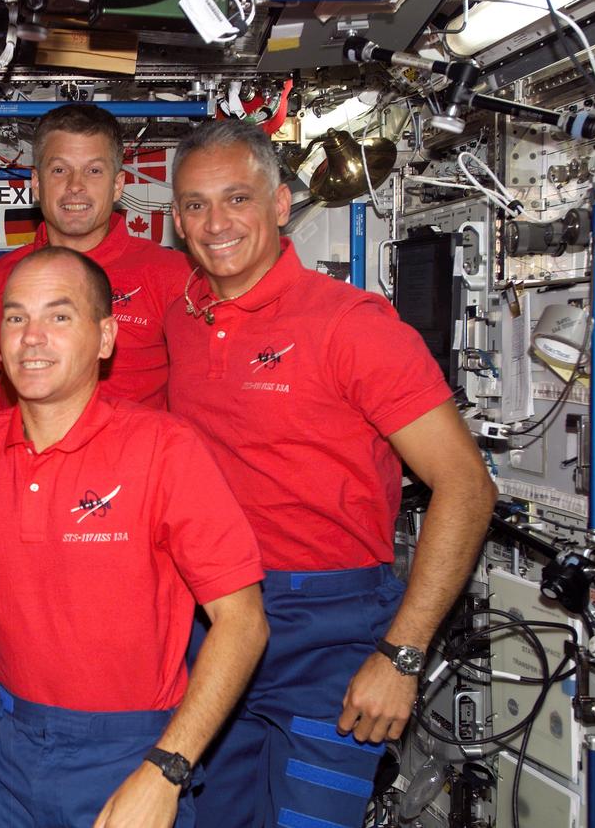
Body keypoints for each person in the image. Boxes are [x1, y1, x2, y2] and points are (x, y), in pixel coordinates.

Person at [165, 119, 497, 828]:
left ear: (281, 203)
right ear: (175, 219)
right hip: (215, 620)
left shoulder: (352, 324)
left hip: (330, 631)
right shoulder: (182, 320)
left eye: (236, 199)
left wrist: (402, 655)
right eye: (195, 205)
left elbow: (466, 485)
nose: (215, 223)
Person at [0, 246, 268, 828]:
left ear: (106, 337)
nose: (31, 337)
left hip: (128, 749)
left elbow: (243, 622)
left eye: (59, 317)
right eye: (15, 318)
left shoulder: (165, 449)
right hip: (2, 746)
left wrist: (166, 770)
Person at [0, 104, 188, 415]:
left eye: (94, 170)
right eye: (59, 170)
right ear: (37, 183)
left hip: (135, 462)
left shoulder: (172, 277)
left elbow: (200, 398)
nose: (75, 186)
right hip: (20, 460)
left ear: (118, 185)